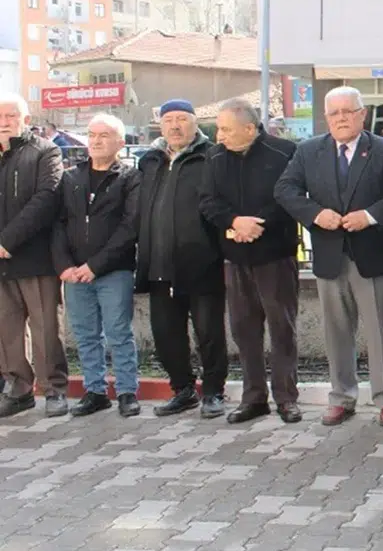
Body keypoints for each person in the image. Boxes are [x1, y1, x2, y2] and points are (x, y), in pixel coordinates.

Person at [275, 86, 383, 427]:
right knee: (336, 331)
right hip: (328, 256)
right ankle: (342, 396)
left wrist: (370, 215)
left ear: (362, 114)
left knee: (381, 331)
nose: (341, 118)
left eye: (347, 112)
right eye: (334, 113)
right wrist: (314, 214)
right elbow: (285, 189)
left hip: (372, 256)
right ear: (326, 117)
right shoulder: (309, 151)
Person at [201, 98, 302, 425]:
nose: (220, 135)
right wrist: (234, 222)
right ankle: (254, 397)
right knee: (244, 330)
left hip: (275, 255)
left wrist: (257, 224)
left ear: (250, 128)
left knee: (282, 328)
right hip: (235, 257)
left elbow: (292, 197)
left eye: (226, 129)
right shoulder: (215, 157)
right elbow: (207, 201)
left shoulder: (284, 152)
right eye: (218, 128)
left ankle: (286, 398)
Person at [136, 99, 227, 419]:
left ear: (195, 122)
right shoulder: (149, 161)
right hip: (159, 264)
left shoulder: (212, 156)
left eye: (182, 119)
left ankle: (214, 392)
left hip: (202, 263)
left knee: (209, 333)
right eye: (168, 120)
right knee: (166, 333)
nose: (175, 126)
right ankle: (183, 390)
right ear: (160, 125)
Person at [53, 113, 141, 418]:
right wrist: (64, 265)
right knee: (85, 334)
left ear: (119, 141)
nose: (96, 140)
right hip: (74, 274)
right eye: (92, 135)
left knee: (118, 333)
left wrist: (95, 265)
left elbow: (130, 228)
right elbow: (58, 224)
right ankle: (95, 392)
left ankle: (127, 391)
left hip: (113, 271)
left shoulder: (130, 178)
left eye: (104, 135)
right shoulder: (70, 178)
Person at [0, 92, 68, 419]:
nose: (3, 122)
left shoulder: (45, 152)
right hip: (1, 264)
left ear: (26, 120)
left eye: (11, 115)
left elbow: (46, 198)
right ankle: (18, 388)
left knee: (44, 328)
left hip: (35, 257)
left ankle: (53, 389)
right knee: (6, 328)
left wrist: (7, 240)